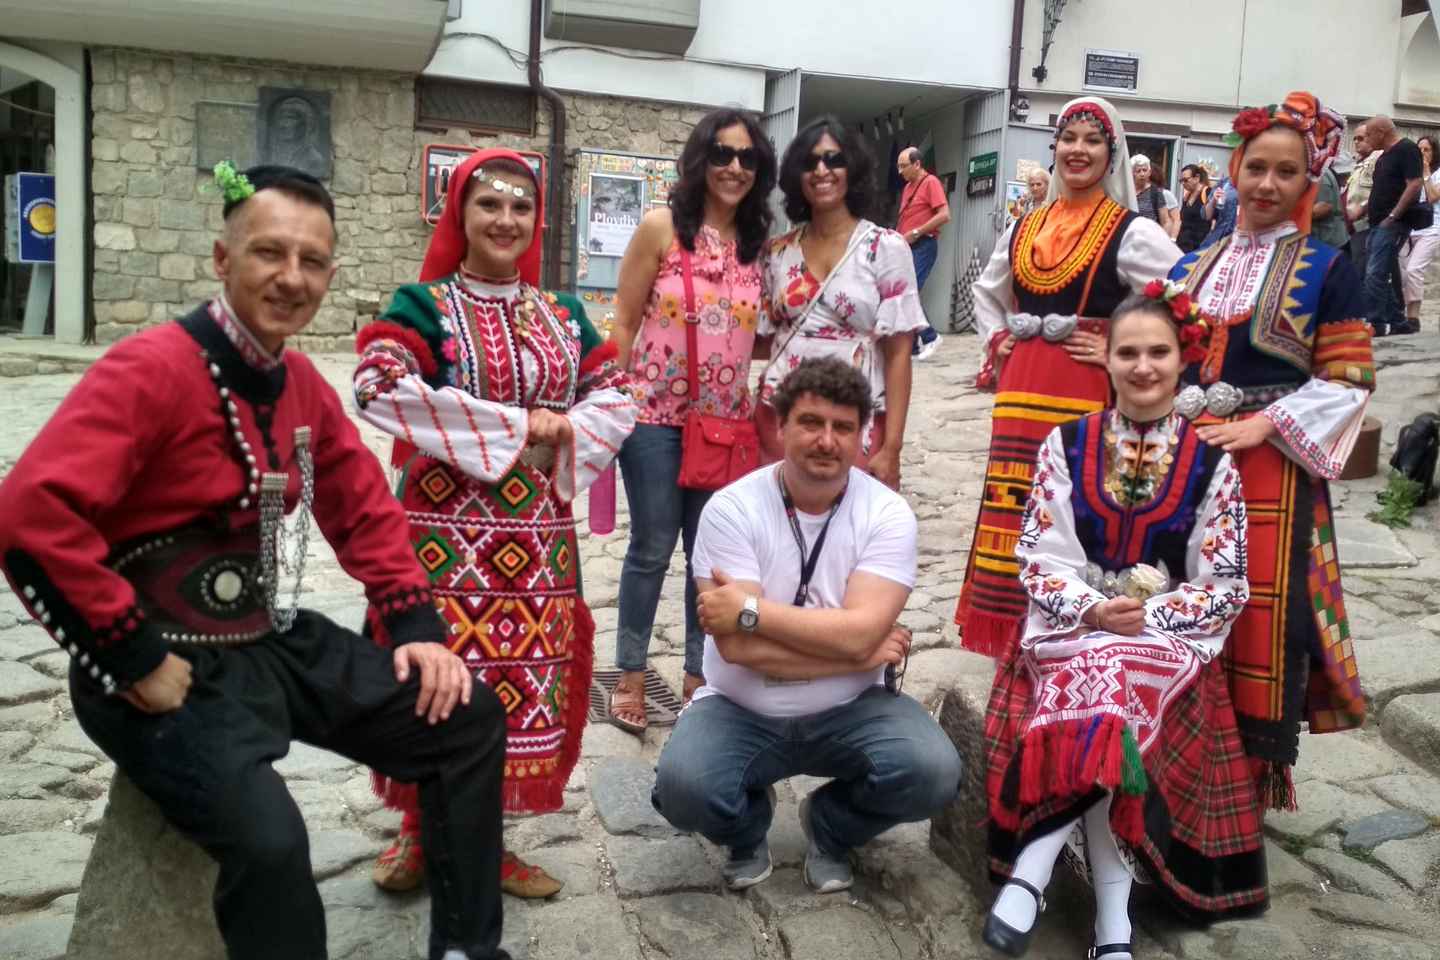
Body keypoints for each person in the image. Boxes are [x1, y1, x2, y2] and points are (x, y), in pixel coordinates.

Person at [0, 164, 510, 960]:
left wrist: (416, 625)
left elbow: (360, 504)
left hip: (265, 638)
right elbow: (29, 516)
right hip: (157, 664)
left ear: (331, 276)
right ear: (222, 258)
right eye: (270, 252)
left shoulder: (299, 380)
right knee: (272, 844)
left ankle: (466, 952)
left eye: (312, 261)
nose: (291, 277)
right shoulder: (150, 368)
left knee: (464, 717)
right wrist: (131, 655)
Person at [353, 149, 638, 897]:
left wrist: (568, 428)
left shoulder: (564, 314)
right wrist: (514, 429)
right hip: (440, 538)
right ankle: (419, 829)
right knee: (433, 676)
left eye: (520, 207)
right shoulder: (423, 305)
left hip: (534, 543)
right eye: (489, 204)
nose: (505, 219)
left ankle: (487, 841)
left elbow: (618, 395)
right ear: (460, 213)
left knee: (514, 683)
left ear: (536, 220)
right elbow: (376, 384)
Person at [982, 290, 1252, 960]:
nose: (1143, 366)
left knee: (1111, 677)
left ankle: (1033, 869)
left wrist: (1147, 616)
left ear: (1183, 360)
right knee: (1103, 676)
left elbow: (1225, 583)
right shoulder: (1066, 444)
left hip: (1167, 641)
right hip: (1072, 624)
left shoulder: (1214, 465)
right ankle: (1113, 922)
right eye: (1128, 352)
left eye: (1158, 352)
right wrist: (1094, 610)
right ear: (1106, 358)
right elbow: (1038, 556)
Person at [650, 357, 961, 894]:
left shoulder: (887, 514)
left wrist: (752, 612)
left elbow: (852, 633)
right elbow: (739, 651)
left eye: (843, 427)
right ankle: (746, 830)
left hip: (852, 707)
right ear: (780, 425)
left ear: (862, 436)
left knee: (933, 772)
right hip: (740, 707)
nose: (827, 441)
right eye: (811, 423)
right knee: (683, 790)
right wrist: (859, 654)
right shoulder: (731, 510)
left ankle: (831, 826)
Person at [1169, 91, 1372, 830]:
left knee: (1256, 611)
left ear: (1307, 183)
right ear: (1234, 170)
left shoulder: (1328, 269)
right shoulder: (1191, 264)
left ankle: (1240, 782)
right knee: (1178, 597)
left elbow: (1349, 379)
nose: (1267, 184)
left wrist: (1264, 425)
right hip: (1185, 462)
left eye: (1287, 172)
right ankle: (1173, 754)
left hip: (1271, 469)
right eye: (1256, 167)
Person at [955, 97, 1182, 656]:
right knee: (1017, 504)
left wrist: (1120, 349)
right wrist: (998, 339)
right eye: (1069, 138)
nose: (1079, 150)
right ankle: (1012, 632)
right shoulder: (1026, 226)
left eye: (1093, 140)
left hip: (1084, 394)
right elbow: (987, 291)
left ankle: (1080, 632)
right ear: (1055, 148)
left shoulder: (1132, 232)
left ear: (1112, 154)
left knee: (1079, 503)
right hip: (1020, 395)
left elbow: (1182, 296)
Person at [607, 108, 776, 734]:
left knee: (709, 556)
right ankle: (629, 673)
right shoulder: (661, 229)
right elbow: (624, 318)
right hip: (653, 417)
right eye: (722, 154)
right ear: (701, 160)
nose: (734, 167)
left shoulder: (761, 248)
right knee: (652, 547)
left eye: (747, 158)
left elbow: (768, 332)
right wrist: (606, 400)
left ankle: (698, 678)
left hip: (727, 424)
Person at [759, 115, 926, 492]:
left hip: (855, 419)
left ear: (853, 170)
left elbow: (899, 354)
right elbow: (762, 337)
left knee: (850, 525)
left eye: (834, 160)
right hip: (781, 417)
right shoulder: (776, 252)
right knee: (778, 522)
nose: (822, 170)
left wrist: (893, 447)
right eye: (810, 162)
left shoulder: (885, 248)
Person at [1363, 116, 1424, 336]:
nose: (1367, 139)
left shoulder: (1407, 149)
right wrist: (1361, 211)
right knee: (1381, 272)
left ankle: (1375, 322)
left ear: (1381, 132)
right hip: (1376, 223)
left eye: (1369, 134)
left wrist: (1393, 215)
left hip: (1393, 223)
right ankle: (1398, 321)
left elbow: (1414, 183)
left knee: (1375, 273)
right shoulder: (1382, 157)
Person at [895, 146, 952, 360]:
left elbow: (945, 215)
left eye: (903, 166)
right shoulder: (907, 188)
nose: (900, 171)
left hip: (924, 244)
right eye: (898, 166)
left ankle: (930, 336)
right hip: (906, 246)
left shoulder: (931, 182)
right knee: (902, 292)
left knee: (909, 291)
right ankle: (912, 346)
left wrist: (917, 232)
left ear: (917, 164)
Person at [1399, 134, 1440, 330]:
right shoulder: (1410, 172)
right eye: (1419, 150)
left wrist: (1425, 172)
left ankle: (1413, 318)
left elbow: (1432, 197)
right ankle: (1402, 316)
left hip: (1432, 229)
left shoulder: (1437, 173)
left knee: (1414, 270)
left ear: (1435, 152)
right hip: (1409, 229)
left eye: (1427, 150)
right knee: (1402, 273)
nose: (1422, 153)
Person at [1131, 154, 1176, 236]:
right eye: (1138, 171)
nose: (1142, 174)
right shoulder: (1127, 192)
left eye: (1144, 170)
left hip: (1150, 238)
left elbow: (1166, 222)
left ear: (1149, 172)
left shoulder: (1156, 193)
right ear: (1133, 173)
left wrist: (1162, 239)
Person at [1175, 163, 1215, 252]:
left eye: (1185, 180)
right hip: (1183, 245)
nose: (1183, 183)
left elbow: (1214, 219)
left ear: (1197, 178)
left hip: (1199, 247)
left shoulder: (1208, 193)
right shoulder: (1187, 196)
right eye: (1181, 181)